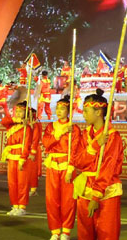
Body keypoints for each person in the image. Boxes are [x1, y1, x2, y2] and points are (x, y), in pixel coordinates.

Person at [70, 89, 123, 240]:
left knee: (107, 233)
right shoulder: (85, 135)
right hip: (85, 188)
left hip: (106, 191)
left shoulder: (112, 136)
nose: (83, 115)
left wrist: (96, 196)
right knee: (85, 233)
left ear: (98, 112)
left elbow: (108, 167)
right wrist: (94, 147)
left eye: (86, 111)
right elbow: (78, 161)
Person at [43, 96, 81, 240]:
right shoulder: (51, 127)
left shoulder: (74, 129)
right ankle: (55, 231)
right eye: (57, 108)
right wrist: (59, 133)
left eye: (62, 109)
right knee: (52, 199)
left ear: (68, 111)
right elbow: (46, 144)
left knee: (68, 200)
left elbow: (75, 150)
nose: (59, 111)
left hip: (67, 166)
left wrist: (71, 168)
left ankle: (66, 231)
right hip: (53, 165)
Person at [0, 101, 33, 216]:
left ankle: (22, 206)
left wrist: (23, 159)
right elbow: (4, 121)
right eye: (17, 111)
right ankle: (14, 205)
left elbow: (27, 144)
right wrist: (16, 120)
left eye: (21, 112)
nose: (18, 113)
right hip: (11, 156)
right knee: (12, 183)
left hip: (21, 156)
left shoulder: (27, 128)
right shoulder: (11, 125)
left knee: (22, 183)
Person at [28, 108, 43, 197]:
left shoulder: (35, 124)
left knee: (33, 170)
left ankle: (33, 189)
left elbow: (36, 138)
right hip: (28, 148)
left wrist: (33, 151)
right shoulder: (30, 124)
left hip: (34, 148)